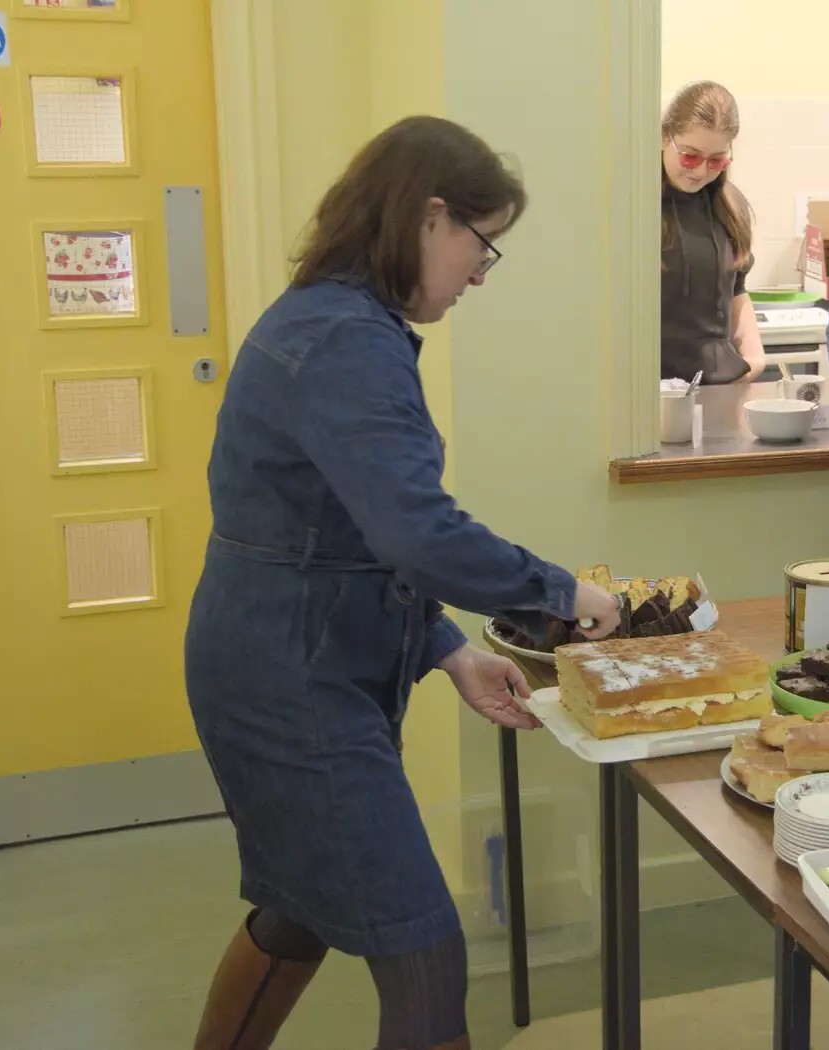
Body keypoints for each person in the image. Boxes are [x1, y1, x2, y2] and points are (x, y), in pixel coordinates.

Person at [185, 116, 622, 1050]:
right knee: (423, 949)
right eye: (482, 243)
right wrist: (567, 595)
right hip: (292, 682)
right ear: (430, 218)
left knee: (298, 910)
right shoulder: (348, 339)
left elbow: (348, 531)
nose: (478, 272)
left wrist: (448, 648)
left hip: (274, 655)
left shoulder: (328, 318)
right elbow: (417, 534)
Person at [660, 81, 766, 384]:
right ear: (665, 138)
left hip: (723, 387)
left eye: (717, 160)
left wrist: (754, 359)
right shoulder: (635, 211)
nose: (701, 171)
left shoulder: (730, 207)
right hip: (654, 395)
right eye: (690, 156)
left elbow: (736, 289)